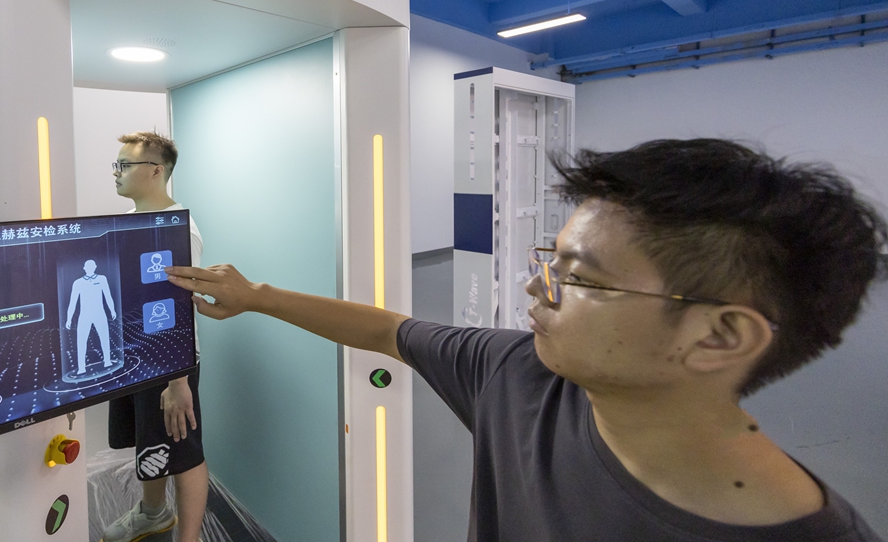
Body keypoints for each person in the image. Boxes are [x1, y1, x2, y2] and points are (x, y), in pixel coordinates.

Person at [166, 139, 887, 542]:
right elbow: (389, 331)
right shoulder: (520, 376)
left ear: (718, 335)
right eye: (551, 261)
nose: (535, 291)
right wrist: (256, 297)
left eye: (580, 278)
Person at [103, 131, 207, 542]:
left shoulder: (180, 230)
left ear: (156, 170)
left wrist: (177, 381)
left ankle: (190, 537)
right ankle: (153, 514)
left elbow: (179, 308)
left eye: (124, 165)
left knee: (184, 451)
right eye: (117, 164)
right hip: (136, 357)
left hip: (170, 365)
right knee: (150, 442)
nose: (116, 173)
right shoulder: (131, 222)